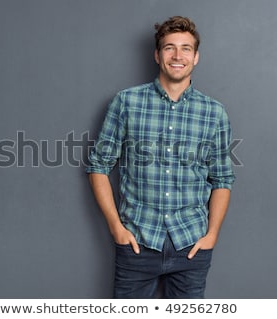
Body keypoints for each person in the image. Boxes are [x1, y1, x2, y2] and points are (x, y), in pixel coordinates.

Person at [86, 16, 235, 298]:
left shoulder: (214, 113)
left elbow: (223, 178)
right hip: (137, 243)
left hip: (191, 246)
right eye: (169, 47)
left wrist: (211, 235)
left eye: (186, 48)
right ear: (157, 55)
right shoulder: (126, 102)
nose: (178, 55)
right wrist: (116, 228)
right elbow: (98, 165)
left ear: (196, 57)